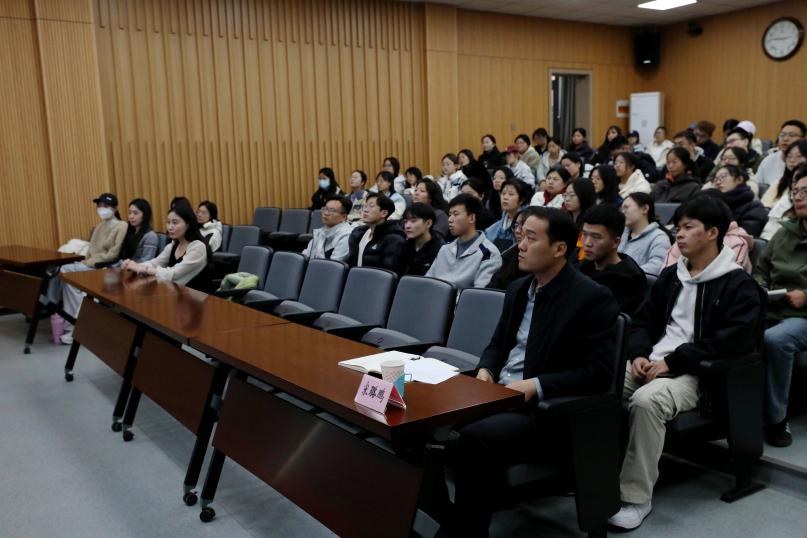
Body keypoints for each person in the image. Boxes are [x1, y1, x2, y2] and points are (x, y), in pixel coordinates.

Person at [447, 206, 619, 536]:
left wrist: (534, 385)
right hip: (499, 394)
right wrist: (486, 370)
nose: (521, 245)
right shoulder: (519, 288)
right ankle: (440, 514)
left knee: (471, 439)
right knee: (424, 417)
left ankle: (467, 530)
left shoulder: (591, 298)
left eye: (531, 238)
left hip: (545, 412)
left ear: (559, 248)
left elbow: (597, 373)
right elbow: (497, 344)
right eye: (520, 236)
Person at [609, 195, 762, 531]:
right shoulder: (672, 276)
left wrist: (674, 361)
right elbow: (642, 321)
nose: (678, 234)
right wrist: (638, 354)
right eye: (677, 227)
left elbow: (731, 342)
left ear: (712, 232)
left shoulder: (738, 284)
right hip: (653, 362)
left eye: (688, 227)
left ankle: (636, 498)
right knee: (600, 382)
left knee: (646, 401)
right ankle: (594, 472)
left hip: (697, 375)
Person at [754, 169, 807, 447]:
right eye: (795, 191)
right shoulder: (784, 233)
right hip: (775, 306)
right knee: (736, 328)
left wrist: (806, 296)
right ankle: (735, 410)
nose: (798, 197)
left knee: (776, 339)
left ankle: (776, 418)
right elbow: (761, 269)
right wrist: (762, 288)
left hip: (802, 314)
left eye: (805, 192)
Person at [47, 193, 129, 344]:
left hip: (105, 267)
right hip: (90, 264)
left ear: (115, 208)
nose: (101, 209)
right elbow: (91, 249)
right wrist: (87, 261)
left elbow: (113, 253)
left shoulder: (122, 225)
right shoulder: (99, 226)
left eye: (106, 206)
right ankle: (73, 326)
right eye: (99, 206)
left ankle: (55, 306)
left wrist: (89, 262)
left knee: (64, 271)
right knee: (68, 283)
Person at [122, 202, 214, 292]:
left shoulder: (198, 247)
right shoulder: (173, 245)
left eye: (175, 223)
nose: (170, 227)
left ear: (188, 224)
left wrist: (142, 268)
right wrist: (133, 265)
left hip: (199, 299)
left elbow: (173, 273)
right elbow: (155, 263)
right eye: (168, 222)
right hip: (179, 295)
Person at [579, 204, 647, 314]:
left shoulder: (630, 280)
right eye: (584, 234)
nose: (587, 243)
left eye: (596, 237)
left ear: (615, 242)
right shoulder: (582, 267)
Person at [426, 194, 501, 289]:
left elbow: (480, 293)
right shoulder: (445, 249)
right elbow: (427, 281)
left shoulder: (488, 253)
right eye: (450, 214)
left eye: (456, 214)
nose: (450, 219)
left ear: (472, 218)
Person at [346, 193, 406, 270]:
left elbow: (387, 272)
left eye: (371, 206)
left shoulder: (394, 240)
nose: (365, 210)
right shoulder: (358, 233)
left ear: (384, 213)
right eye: (365, 206)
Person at [761, 142, 807, 240]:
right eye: (795, 181)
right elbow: (768, 235)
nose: (792, 160)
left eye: (798, 156)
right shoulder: (785, 201)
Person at [619, 193, 672, 276]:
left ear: (645, 209)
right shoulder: (621, 234)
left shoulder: (659, 237)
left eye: (626, 207)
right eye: (622, 209)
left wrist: (623, 274)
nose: (622, 212)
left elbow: (657, 266)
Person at [711, 165, 768, 237]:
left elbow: (744, 238)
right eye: (716, 179)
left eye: (723, 177)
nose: (718, 182)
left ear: (739, 180)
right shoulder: (712, 203)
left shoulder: (754, 208)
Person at [398, 203, 445, 276]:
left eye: (413, 221)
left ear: (428, 223)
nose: (407, 226)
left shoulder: (441, 250)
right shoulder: (403, 246)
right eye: (405, 222)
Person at [486, 209, 529, 290]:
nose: (517, 231)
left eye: (522, 226)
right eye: (516, 226)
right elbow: (492, 288)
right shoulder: (508, 256)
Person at [756, 120, 806, 187]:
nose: (785, 139)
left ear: (803, 139)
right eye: (782, 135)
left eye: (791, 135)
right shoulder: (768, 161)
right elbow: (757, 185)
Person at [301, 195, 352, 262]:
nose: (325, 213)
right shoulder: (320, 232)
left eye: (332, 210)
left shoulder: (347, 235)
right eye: (325, 209)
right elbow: (305, 256)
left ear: (344, 217)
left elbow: (333, 264)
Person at [485, 179, 531, 252]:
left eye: (511, 194)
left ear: (522, 199)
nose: (505, 197)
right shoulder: (491, 230)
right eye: (503, 193)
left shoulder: (528, 225)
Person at [762, 139, 807, 209]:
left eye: (798, 156)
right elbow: (763, 206)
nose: (792, 160)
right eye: (789, 156)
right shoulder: (779, 183)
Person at [119, 199, 159, 265]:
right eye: (130, 213)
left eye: (135, 213)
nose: (131, 216)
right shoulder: (129, 232)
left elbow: (146, 261)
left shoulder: (150, 236)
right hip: (125, 267)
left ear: (145, 215)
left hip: (138, 269)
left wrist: (127, 265)